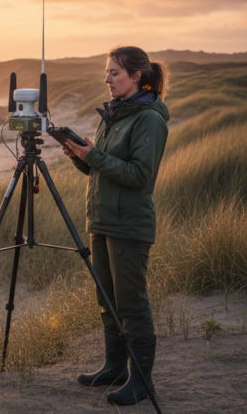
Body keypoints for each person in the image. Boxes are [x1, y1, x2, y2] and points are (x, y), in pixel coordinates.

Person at [62, 45, 169, 405]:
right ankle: (115, 367)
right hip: (102, 220)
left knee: (131, 303)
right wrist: (82, 156)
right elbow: (102, 168)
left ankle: (141, 381)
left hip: (129, 226)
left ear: (137, 77)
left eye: (114, 73)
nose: (106, 79)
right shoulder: (114, 114)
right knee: (106, 297)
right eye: (106, 72)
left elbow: (140, 175)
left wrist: (95, 155)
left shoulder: (149, 118)